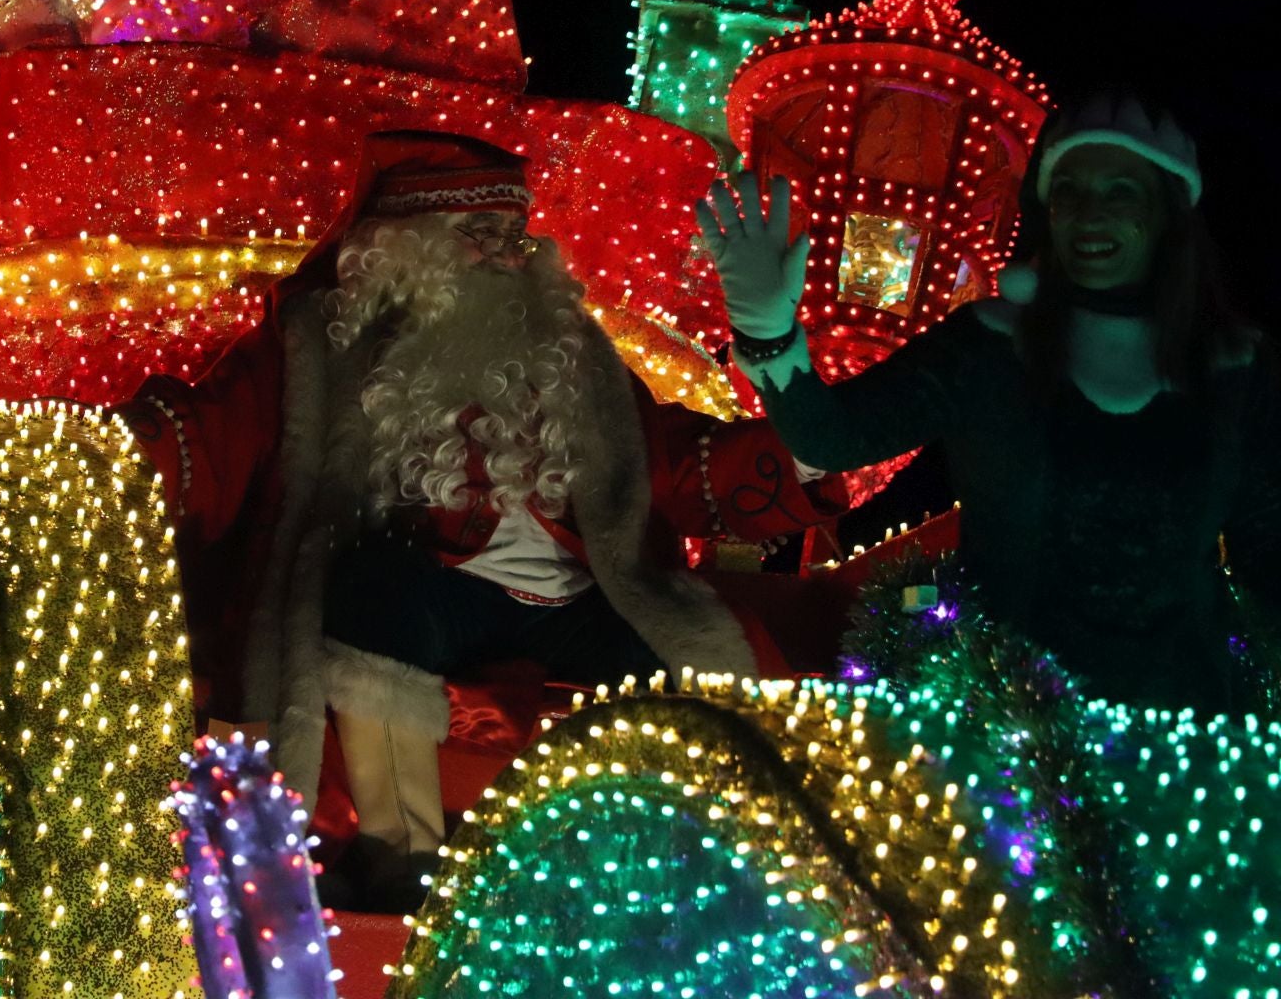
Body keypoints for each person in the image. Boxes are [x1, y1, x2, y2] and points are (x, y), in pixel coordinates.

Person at [119, 129, 844, 909]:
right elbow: (213, 435)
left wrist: (809, 440)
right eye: (483, 235)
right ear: (407, 247)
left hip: (581, 599)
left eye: (515, 235)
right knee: (374, 600)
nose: (510, 256)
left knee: (692, 646)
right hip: (427, 592)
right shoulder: (319, 345)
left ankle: (666, 877)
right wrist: (110, 452)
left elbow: (668, 459)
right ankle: (403, 865)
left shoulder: (575, 353)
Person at [696, 93, 1280, 712]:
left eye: (1120, 192)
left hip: (1182, 734)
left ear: (1168, 213)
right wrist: (769, 335)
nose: (1088, 214)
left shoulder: (1237, 369)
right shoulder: (989, 347)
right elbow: (833, 438)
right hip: (1003, 732)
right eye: (1070, 193)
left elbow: (1265, 541)